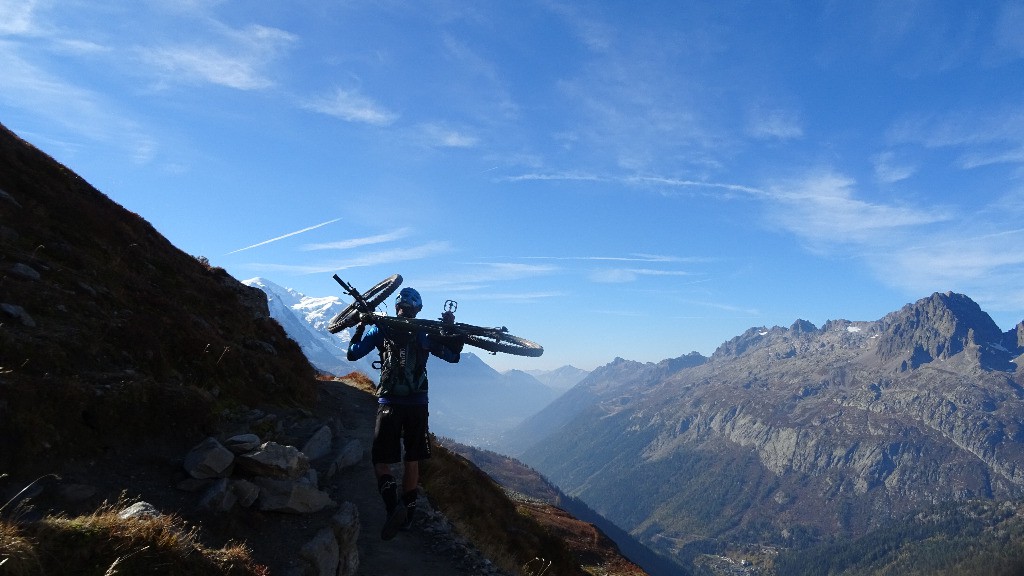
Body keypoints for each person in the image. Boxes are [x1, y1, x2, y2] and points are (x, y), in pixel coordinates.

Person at [346, 286, 463, 540]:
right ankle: (408, 517)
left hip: (389, 403)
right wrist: (452, 331)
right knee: (412, 459)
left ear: (397, 306)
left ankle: (392, 508)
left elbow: (353, 354)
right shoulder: (423, 333)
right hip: (418, 404)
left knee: (381, 460)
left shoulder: (381, 329)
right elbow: (453, 356)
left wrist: (361, 326)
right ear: (417, 310)